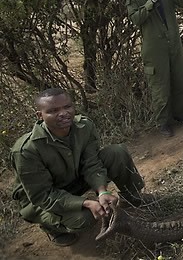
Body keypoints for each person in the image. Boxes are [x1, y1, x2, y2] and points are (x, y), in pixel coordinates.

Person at [10, 88, 147, 247]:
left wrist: (103, 191)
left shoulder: (84, 126)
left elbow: (92, 163)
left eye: (67, 107)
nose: (63, 113)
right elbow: (42, 196)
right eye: (53, 111)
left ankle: (131, 197)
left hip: (73, 179)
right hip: (42, 200)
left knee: (117, 152)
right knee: (85, 219)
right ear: (40, 116)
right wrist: (86, 203)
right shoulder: (26, 150)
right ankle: (52, 227)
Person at [126, 0, 183, 137]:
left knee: (179, 80)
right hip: (154, 48)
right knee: (160, 86)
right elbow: (135, 19)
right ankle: (163, 123)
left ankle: (181, 116)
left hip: (174, 44)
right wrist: (150, 2)